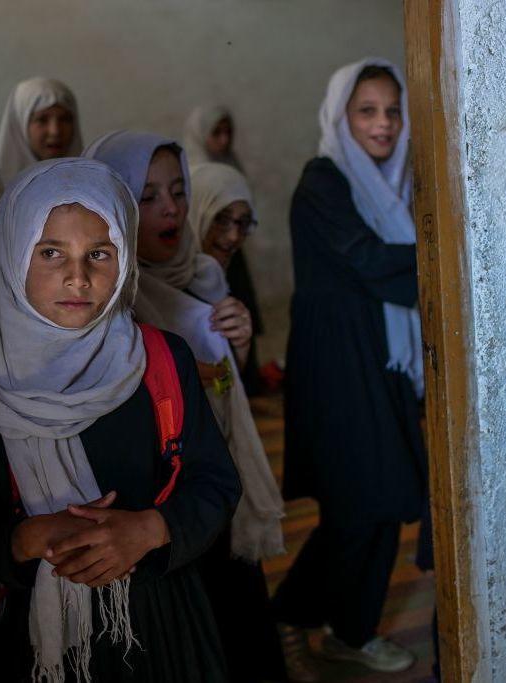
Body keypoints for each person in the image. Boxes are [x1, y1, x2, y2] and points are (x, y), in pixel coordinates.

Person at [0, 158, 241, 682]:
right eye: (49, 253)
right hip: (44, 644)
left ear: (126, 258)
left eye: (99, 254)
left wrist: (150, 529)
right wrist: (29, 538)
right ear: (10, 257)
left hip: (163, 622)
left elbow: (215, 484)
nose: (78, 276)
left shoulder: (159, 360)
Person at [85, 131, 287, 683]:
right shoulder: (107, 300)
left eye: (177, 191)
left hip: (220, 490)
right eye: (147, 196)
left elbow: (227, 389)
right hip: (161, 518)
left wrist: (238, 345)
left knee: (247, 635)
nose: (171, 207)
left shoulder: (204, 275)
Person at [271, 57, 428, 677]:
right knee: (362, 502)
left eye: (393, 110)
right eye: (367, 110)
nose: (384, 124)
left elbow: (386, 263)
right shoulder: (324, 179)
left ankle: (337, 626)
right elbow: (367, 260)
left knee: (383, 496)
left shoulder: (395, 184)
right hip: (339, 365)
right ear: (340, 116)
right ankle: (306, 617)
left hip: (378, 358)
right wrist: (449, 250)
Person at [184, 107, 266, 393]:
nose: (233, 236)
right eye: (219, 219)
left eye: (243, 223)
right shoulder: (163, 293)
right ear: (194, 215)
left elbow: (224, 389)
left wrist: (240, 349)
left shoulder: (216, 285)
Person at [0, 77, 83, 188]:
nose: (55, 131)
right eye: (42, 119)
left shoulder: (92, 188)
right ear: (20, 126)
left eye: (64, 119)